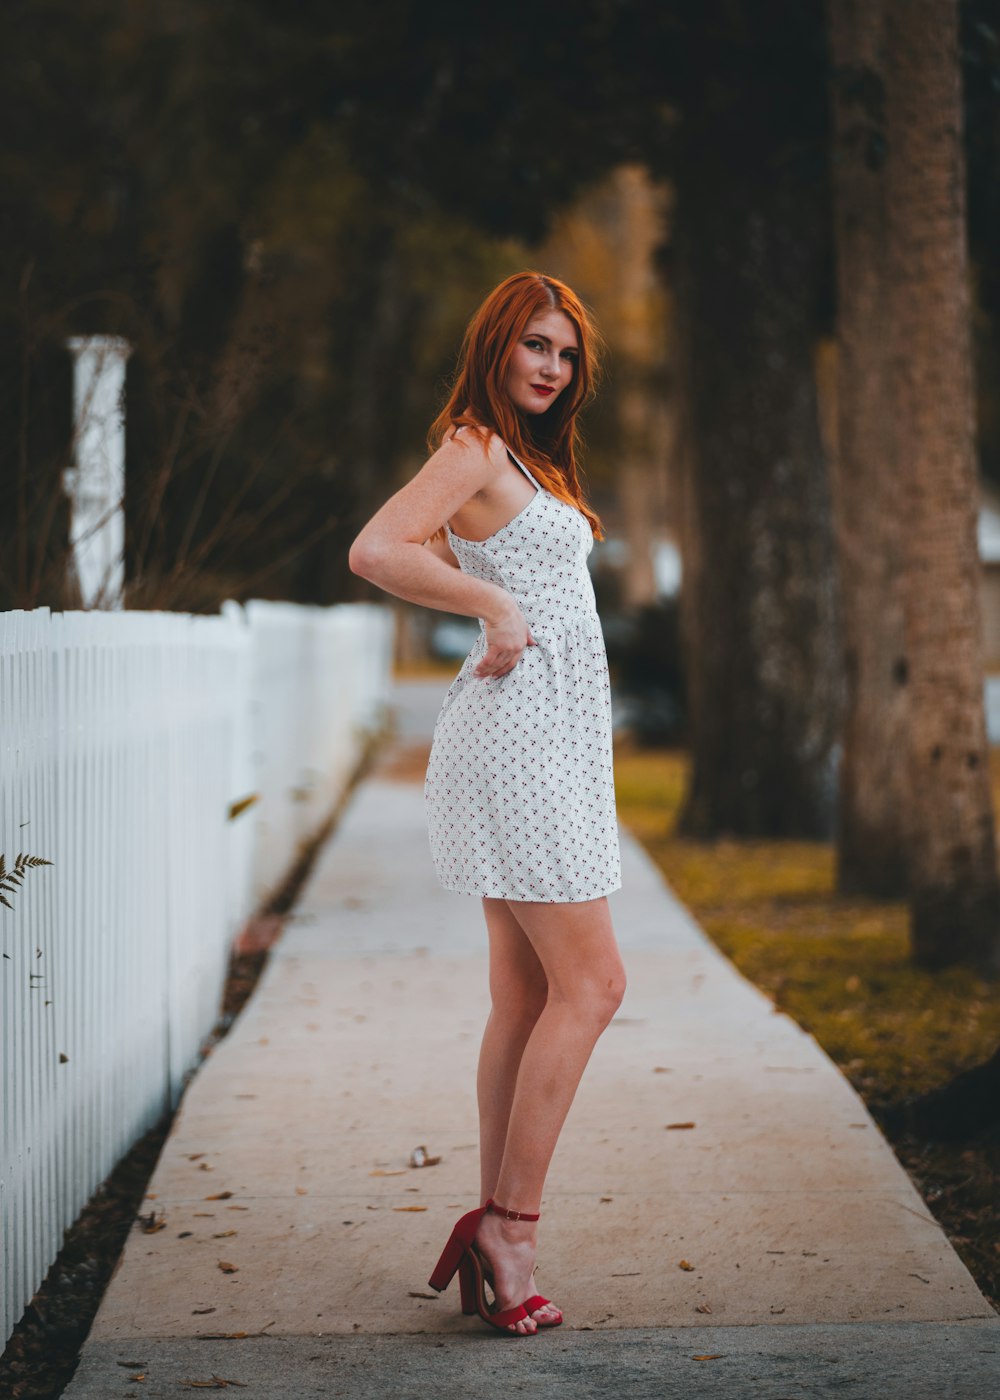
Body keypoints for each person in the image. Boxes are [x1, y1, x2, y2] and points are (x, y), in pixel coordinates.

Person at [348, 270, 626, 1337]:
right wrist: (492, 601)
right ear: (497, 347)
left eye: (564, 352)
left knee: (523, 993)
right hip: (519, 743)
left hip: (549, 739)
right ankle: (509, 1225)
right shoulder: (472, 445)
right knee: (592, 984)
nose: (551, 366)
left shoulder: (528, 458)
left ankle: (495, 1226)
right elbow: (378, 549)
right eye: (535, 346)